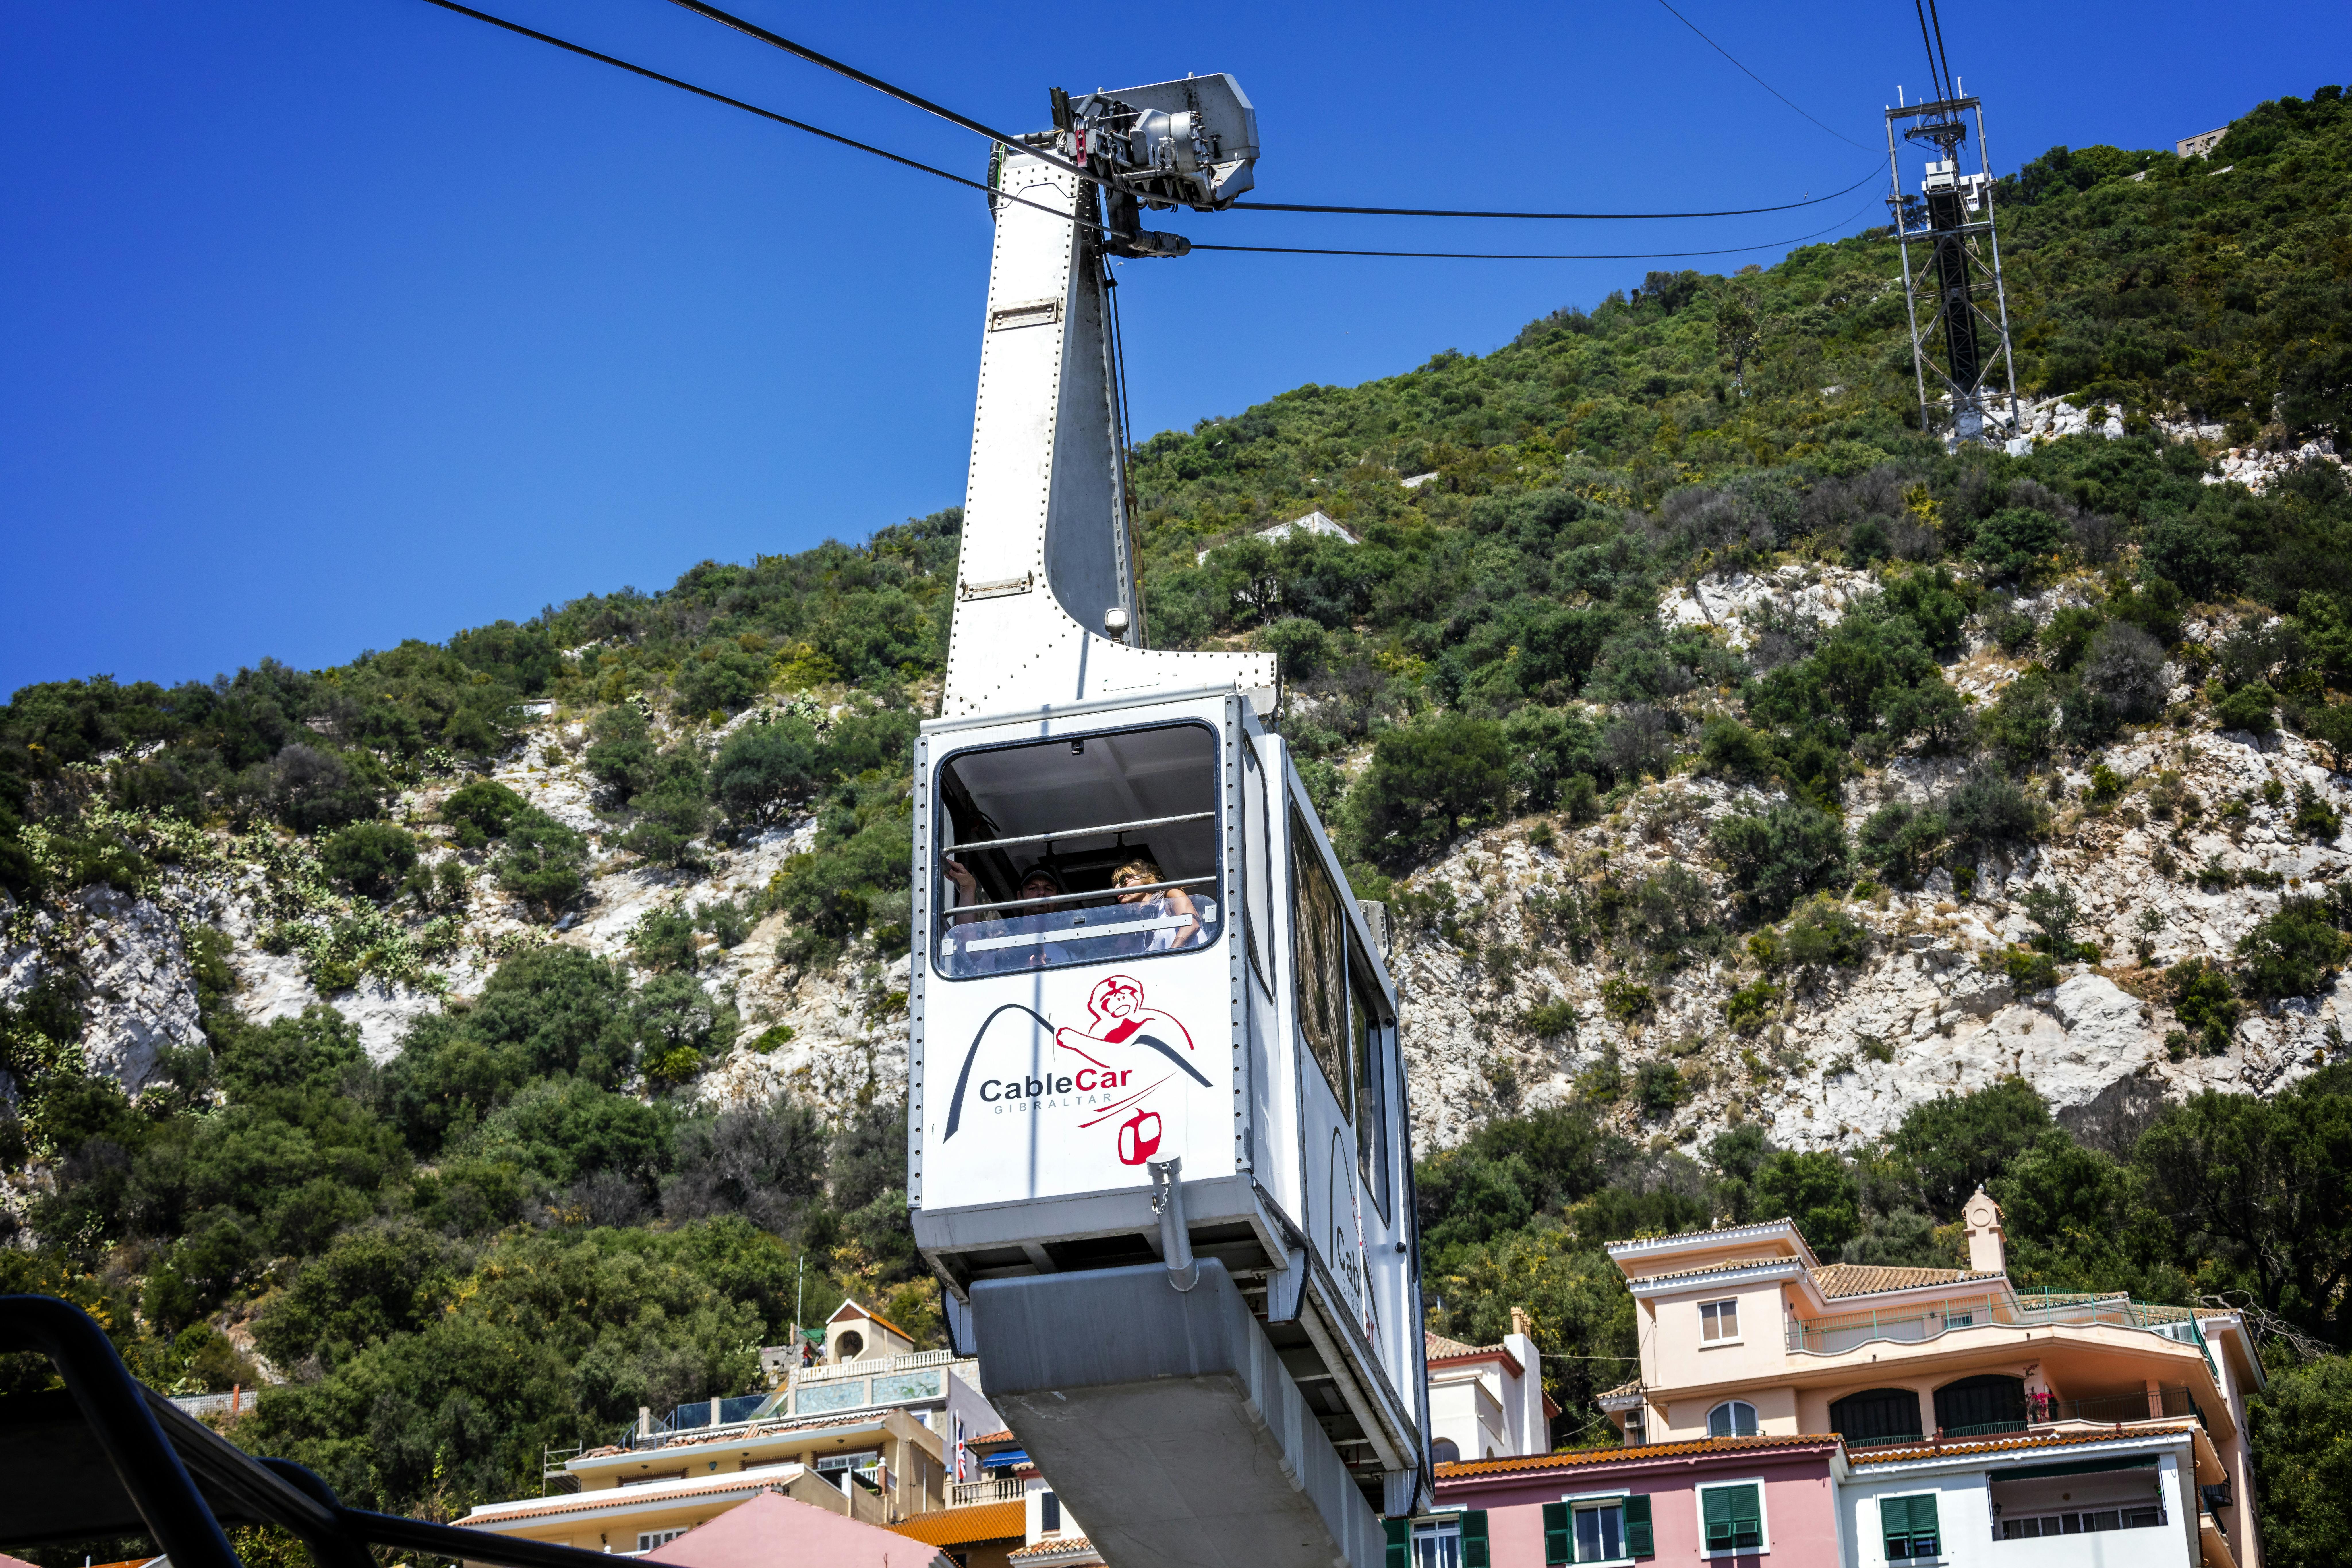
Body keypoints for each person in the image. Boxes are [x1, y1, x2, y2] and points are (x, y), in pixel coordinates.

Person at [941, 857, 1072, 972]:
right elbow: (967, 947)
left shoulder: (1068, 952)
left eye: (1048, 889)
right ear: (1020, 897)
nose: (1042, 893)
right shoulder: (1001, 944)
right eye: (1033, 888)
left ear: (1057, 898)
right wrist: (967, 887)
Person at [1108, 858, 1206, 952]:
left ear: (1146, 880)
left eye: (1123, 880)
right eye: (1115, 885)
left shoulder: (1170, 895)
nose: (1117, 888)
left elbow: (1191, 925)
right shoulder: (1140, 931)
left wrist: (1168, 959)